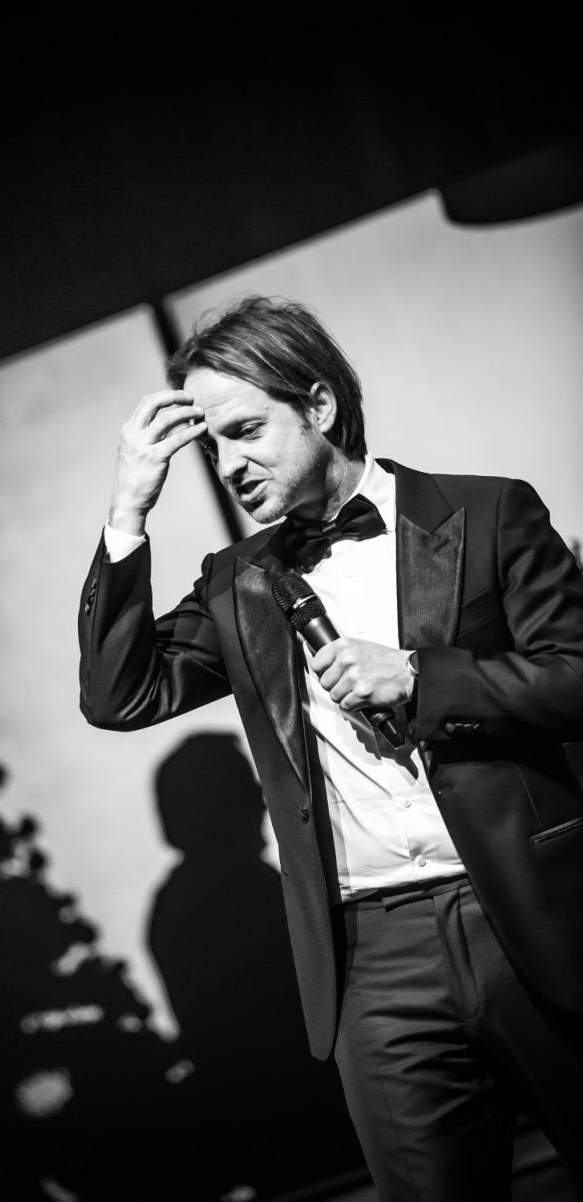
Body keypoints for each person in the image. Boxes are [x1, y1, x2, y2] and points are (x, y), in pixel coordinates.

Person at [77, 294, 583, 1200]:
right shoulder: (237, 584)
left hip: (530, 915)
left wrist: (423, 678)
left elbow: (575, 677)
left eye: (246, 432)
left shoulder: (488, 511)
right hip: (374, 960)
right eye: (212, 448)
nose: (230, 466)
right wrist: (127, 511)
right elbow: (122, 696)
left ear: (319, 403)